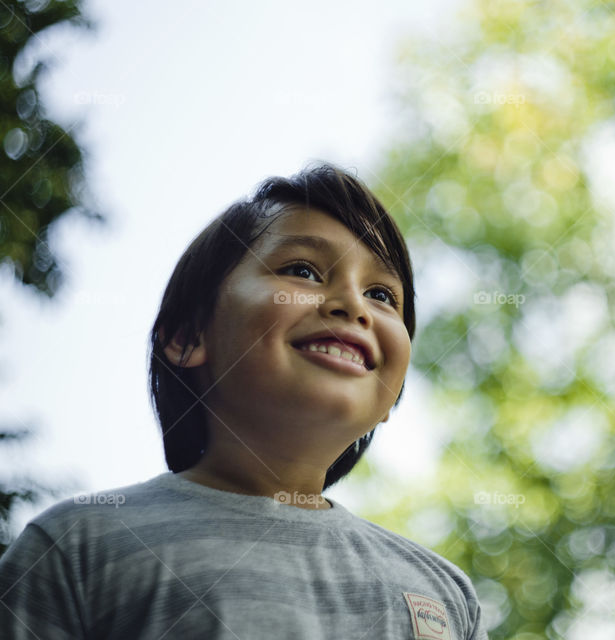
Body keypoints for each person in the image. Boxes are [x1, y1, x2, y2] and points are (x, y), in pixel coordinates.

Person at [0, 165, 487, 639]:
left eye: (381, 294)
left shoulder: (445, 596)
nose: (352, 304)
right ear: (188, 337)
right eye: (303, 270)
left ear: (389, 401)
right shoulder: (75, 548)